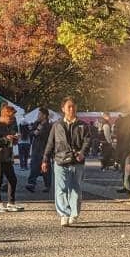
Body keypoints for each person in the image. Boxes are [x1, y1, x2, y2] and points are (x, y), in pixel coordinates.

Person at [42, 97, 91, 227]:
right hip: (60, 160)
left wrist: (82, 153)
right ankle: (64, 214)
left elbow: (88, 141)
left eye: (73, 106)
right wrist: (45, 159)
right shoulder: (57, 125)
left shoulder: (83, 125)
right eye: (69, 106)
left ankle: (74, 214)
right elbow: (50, 143)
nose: (71, 109)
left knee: (75, 189)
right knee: (61, 188)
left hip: (76, 161)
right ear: (63, 109)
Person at [26, 108, 52, 193]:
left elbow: (42, 135)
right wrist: (34, 132)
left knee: (46, 169)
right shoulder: (37, 123)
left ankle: (47, 185)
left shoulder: (48, 125)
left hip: (45, 149)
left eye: (39, 114)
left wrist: (36, 132)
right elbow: (31, 133)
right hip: (36, 149)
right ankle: (31, 184)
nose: (38, 116)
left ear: (44, 116)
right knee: (34, 166)